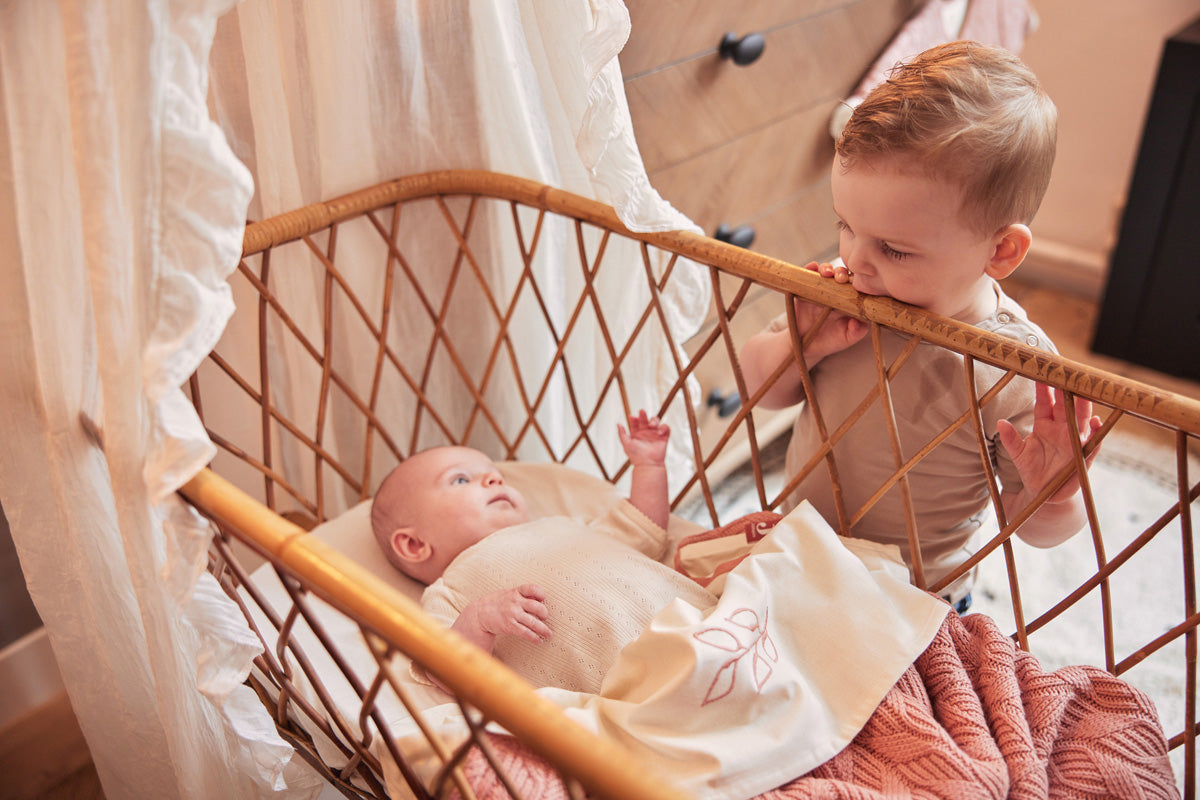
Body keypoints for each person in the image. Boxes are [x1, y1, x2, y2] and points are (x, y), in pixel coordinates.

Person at [738, 41, 1101, 610]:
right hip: (795, 557)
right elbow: (757, 390)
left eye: (893, 249)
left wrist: (1054, 493)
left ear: (1000, 251)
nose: (856, 260)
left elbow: (1033, 530)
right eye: (845, 226)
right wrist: (800, 342)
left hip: (915, 600)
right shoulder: (843, 294)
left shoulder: (1013, 367)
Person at [369, 411, 716, 694]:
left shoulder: (562, 526)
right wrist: (478, 621)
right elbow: (445, 671)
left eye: (496, 475)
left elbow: (641, 527)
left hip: (705, 621)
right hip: (636, 682)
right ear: (414, 545)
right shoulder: (448, 592)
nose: (494, 480)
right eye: (460, 480)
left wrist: (649, 467)